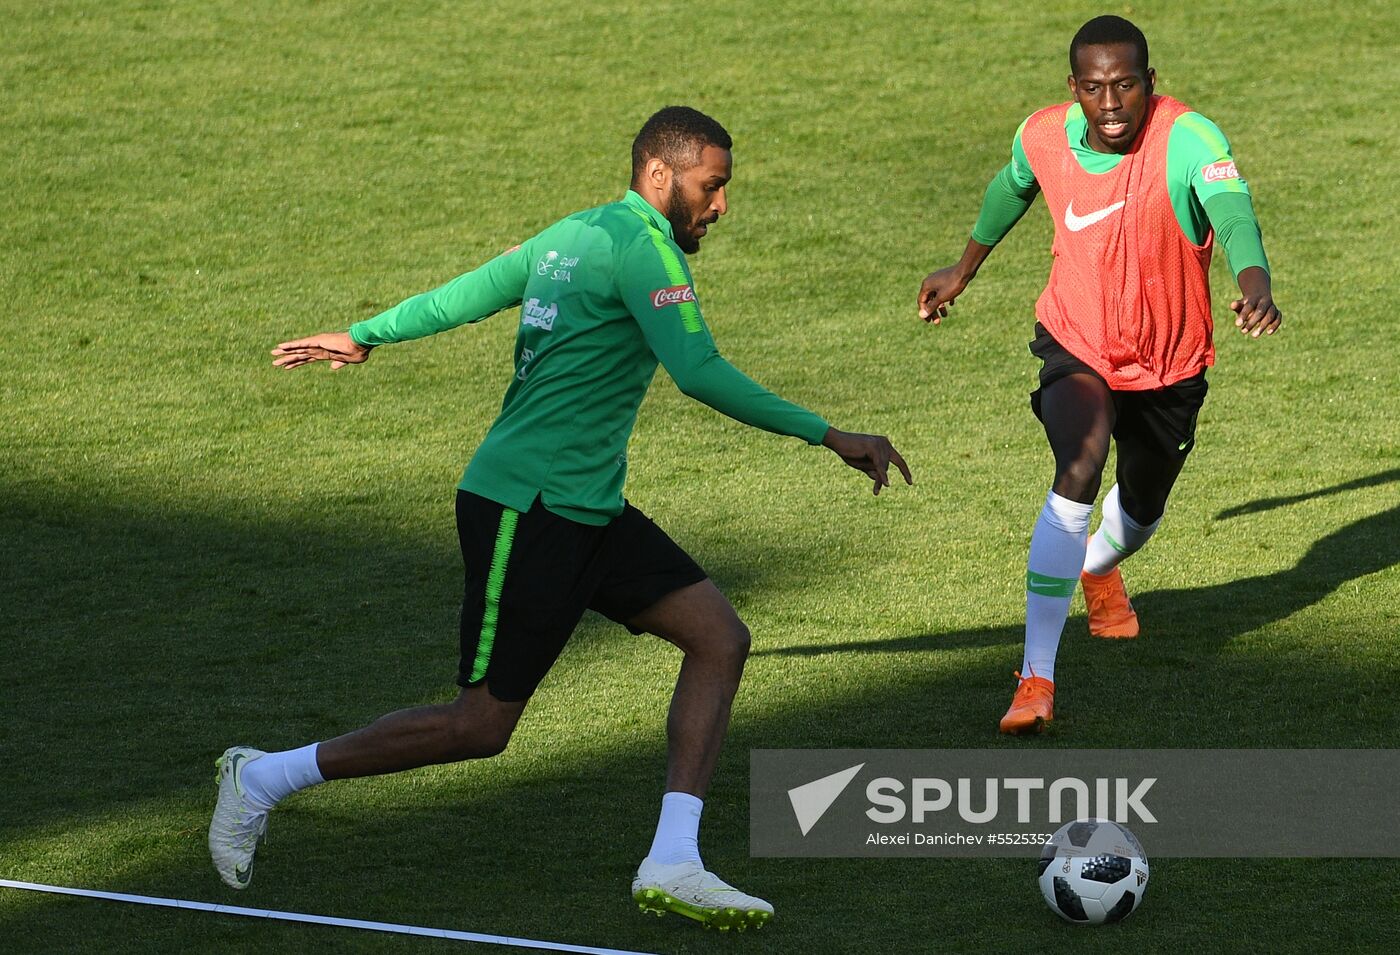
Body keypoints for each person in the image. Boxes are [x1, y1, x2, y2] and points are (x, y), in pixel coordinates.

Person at [209, 106, 912, 931]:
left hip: (589, 507)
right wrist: (827, 433)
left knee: (719, 636)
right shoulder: (642, 248)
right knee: (480, 726)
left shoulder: (570, 234)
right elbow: (699, 370)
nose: (721, 205)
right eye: (711, 186)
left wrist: (368, 332)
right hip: (526, 508)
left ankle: (674, 857)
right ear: (660, 175)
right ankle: (261, 777)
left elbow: (466, 292)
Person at [916, 16, 1280, 734]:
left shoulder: (1188, 138)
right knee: (1078, 464)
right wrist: (961, 269)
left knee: (1142, 506)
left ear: (1151, 82)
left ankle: (1098, 567)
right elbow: (1011, 185)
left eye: (1124, 86)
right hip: (1076, 339)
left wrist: (1256, 283)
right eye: (1093, 88)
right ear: (1073, 89)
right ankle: (1036, 676)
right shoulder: (1044, 133)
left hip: (1170, 363)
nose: (1110, 104)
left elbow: (1235, 214)